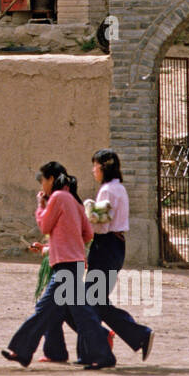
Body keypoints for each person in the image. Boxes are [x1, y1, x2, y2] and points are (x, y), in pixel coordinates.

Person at [43, 149, 155, 363]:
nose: (93, 170)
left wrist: (86, 212)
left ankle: (116, 343)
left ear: (103, 167)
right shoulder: (119, 188)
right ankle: (124, 340)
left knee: (87, 302)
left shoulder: (107, 191)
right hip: (114, 248)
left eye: (95, 165)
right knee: (93, 300)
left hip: (104, 248)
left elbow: (100, 223)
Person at [2, 161, 116, 370]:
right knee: (82, 315)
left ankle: (22, 350)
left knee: (45, 309)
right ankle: (102, 355)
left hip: (64, 265)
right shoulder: (73, 200)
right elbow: (88, 234)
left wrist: (41, 206)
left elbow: (45, 225)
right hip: (74, 263)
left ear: (51, 179)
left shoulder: (56, 198)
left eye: (43, 181)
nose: (42, 186)